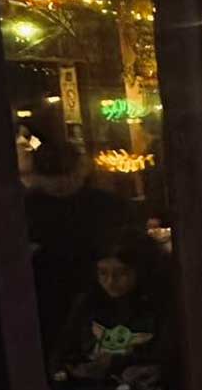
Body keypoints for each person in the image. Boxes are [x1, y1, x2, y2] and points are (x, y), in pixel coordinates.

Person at [26, 140, 130, 360]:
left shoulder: (106, 204)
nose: (61, 182)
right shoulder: (24, 208)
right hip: (49, 295)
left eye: (66, 174)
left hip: (99, 291)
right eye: (52, 176)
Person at [50, 229, 168, 378]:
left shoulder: (158, 305)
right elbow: (63, 352)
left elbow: (165, 357)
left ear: (140, 270)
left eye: (122, 273)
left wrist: (117, 363)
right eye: (103, 273)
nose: (110, 282)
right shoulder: (88, 303)